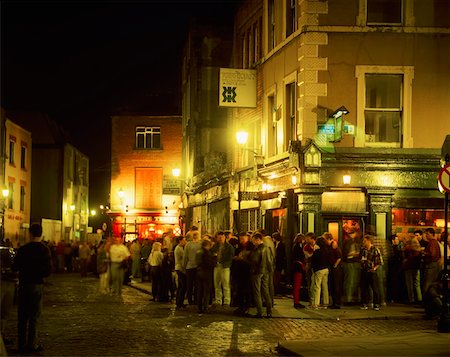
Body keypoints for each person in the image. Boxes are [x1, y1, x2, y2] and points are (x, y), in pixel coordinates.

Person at [12, 223, 52, 353]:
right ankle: (32, 344)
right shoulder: (44, 250)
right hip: (37, 284)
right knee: (34, 316)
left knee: (22, 316)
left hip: (24, 283)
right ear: (40, 234)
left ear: (30, 233)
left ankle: (21, 344)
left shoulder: (23, 249)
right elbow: (48, 270)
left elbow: (15, 266)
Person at [249, 232, 272, 318]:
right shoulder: (267, 248)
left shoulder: (258, 249)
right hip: (265, 271)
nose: (253, 242)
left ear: (258, 240)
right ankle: (269, 312)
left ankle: (260, 312)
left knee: (257, 292)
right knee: (265, 291)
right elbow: (270, 260)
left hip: (257, 271)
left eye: (254, 240)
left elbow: (254, 260)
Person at [210, 231, 235, 307]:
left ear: (224, 237)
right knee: (217, 283)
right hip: (217, 266)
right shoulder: (215, 246)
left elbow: (231, 256)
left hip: (225, 266)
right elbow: (211, 253)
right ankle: (218, 300)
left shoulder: (229, 246)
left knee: (225, 284)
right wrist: (214, 257)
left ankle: (227, 300)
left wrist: (224, 260)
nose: (220, 239)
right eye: (219, 237)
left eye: (222, 237)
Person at [232, 232, 254, 316]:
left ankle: (247, 307)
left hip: (247, 271)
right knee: (240, 290)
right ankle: (240, 306)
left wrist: (241, 259)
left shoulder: (251, 247)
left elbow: (252, 260)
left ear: (247, 238)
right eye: (240, 239)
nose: (241, 240)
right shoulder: (239, 247)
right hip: (239, 271)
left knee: (247, 290)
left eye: (243, 238)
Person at [359, 234, 383, 311]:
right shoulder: (363, 249)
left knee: (375, 288)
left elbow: (379, 261)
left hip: (372, 271)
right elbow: (360, 258)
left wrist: (374, 268)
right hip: (364, 270)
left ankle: (376, 304)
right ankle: (364, 303)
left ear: (369, 241)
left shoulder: (375, 250)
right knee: (364, 288)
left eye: (365, 241)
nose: (363, 242)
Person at [195, 238, 215, 314]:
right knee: (206, 291)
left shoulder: (198, 251)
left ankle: (199, 307)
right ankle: (205, 307)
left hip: (199, 272)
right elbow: (208, 263)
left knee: (200, 290)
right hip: (206, 273)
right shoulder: (206, 252)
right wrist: (214, 260)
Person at [310, 236, 330, 309]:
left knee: (317, 287)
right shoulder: (327, 250)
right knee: (325, 286)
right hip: (326, 269)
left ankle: (316, 303)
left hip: (319, 269)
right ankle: (326, 303)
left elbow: (313, 260)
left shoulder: (317, 251)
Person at [182, 230, 201, 305]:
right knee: (197, 284)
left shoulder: (188, 245)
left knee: (189, 284)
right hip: (197, 267)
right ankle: (196, 299)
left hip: (189, 267)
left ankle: (190, 299)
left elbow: (185, 257)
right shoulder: (200, 244)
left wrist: (184, 266)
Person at [403, 235, 422, 304]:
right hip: (416, 267)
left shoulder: (408, 249)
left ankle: (411, 299)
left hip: (408, 267)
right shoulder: (419, 250)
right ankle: (419, 298)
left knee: (409, 284)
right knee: (417, 283)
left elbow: (405, 258)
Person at [325, 233, 343, 309]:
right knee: (333, 285)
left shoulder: (334, 246)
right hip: (332, 268)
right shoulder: (330, 246)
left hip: (335, 269)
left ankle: (337, 303)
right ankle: (334, 302)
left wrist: (335, 265)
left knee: (336, 285)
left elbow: (339, 257)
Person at [422, 228, 441, 295]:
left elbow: (432, 254)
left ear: (432, 234)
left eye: (427, 234)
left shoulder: (432, 243)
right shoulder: (434, 242)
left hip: (432, 265)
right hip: (435, 265)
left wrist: (424, 253)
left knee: (427, 283)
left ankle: (426, 302)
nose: (426, 235)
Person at [291, 233, 306, 309]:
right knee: (297, 285)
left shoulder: (296, 246)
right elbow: (298, 258)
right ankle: (296, 302)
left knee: (297, 285)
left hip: (297, 267)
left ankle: (296, 301)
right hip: (298, 268)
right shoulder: (298, 247)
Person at [174, 236, 187, 309]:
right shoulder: (179, 249)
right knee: (183, 286)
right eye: (184, 240)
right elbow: (184, 257)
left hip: (178, 268)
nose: (185, 242)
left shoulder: (179, 248)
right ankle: (180, 302)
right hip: (180, 268)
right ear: (180, 241)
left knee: (180, 286)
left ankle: (178, 302)